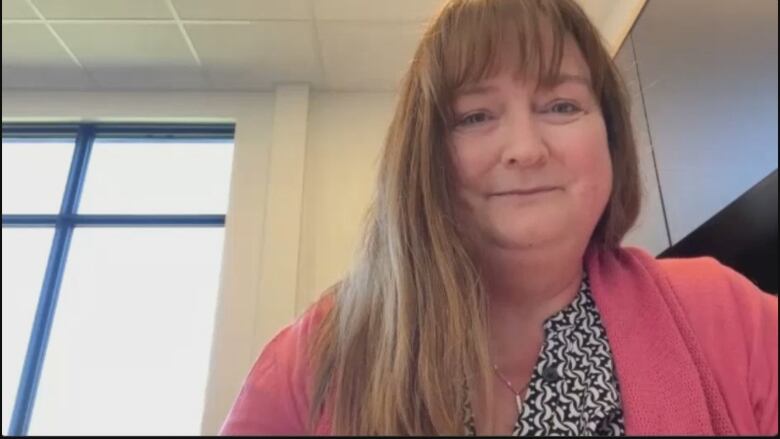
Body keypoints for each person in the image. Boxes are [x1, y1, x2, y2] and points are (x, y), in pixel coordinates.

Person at [220, 0, 778, 435]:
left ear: (609, 134)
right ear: (425, 156)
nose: (525, 149)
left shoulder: (730, 314)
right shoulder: (316, 355)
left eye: (561, 106)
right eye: (476, 116)